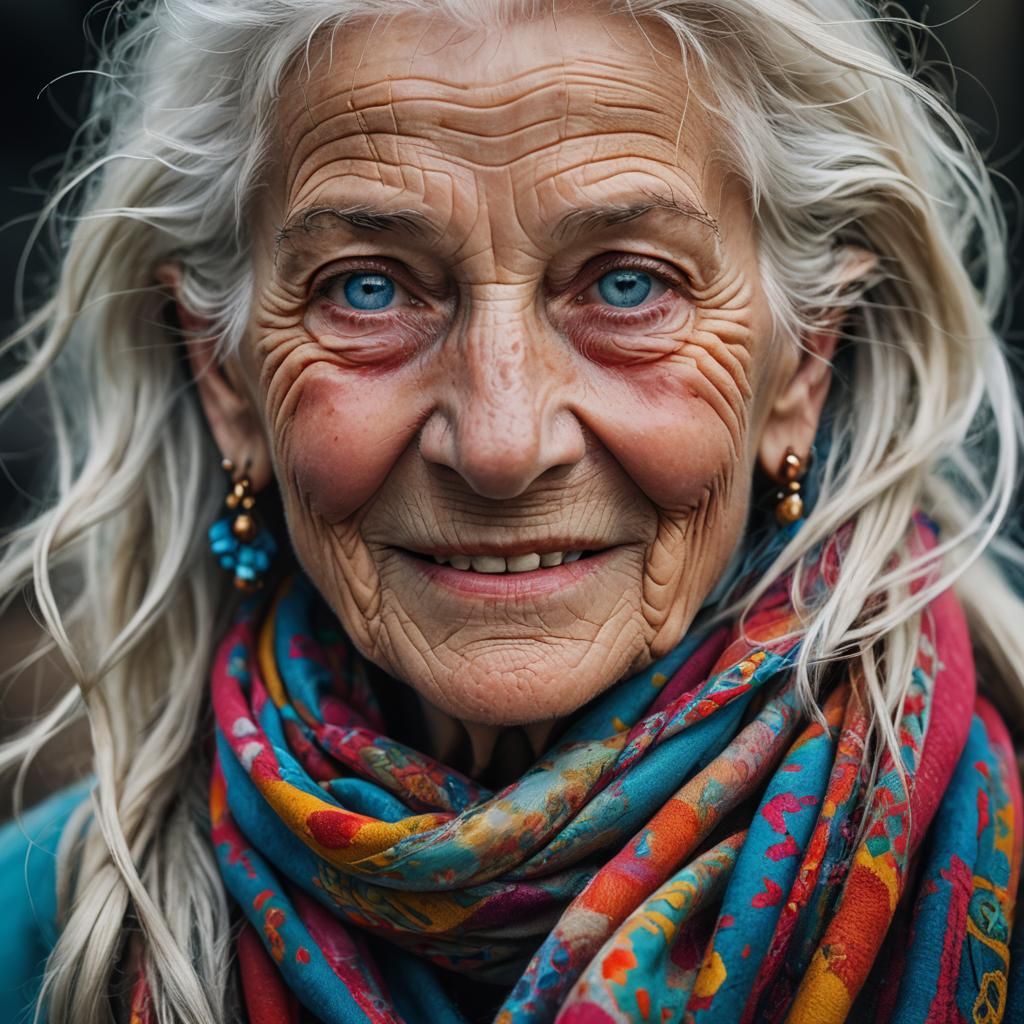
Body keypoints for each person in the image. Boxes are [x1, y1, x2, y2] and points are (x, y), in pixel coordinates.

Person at [1, 0, 1022, 1021]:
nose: (500, 441)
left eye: (628, 284)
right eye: (366, 290)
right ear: (223, 375)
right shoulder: (35, 942)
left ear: (803, 358)